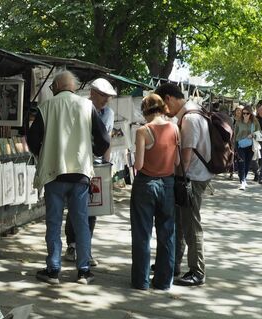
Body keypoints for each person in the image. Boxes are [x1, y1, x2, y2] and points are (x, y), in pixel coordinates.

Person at [28, 70, 110, 285]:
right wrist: (92, 153)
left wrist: (43, 153)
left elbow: (32, 139)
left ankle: (53, 270)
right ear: (73, 87)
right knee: (81, 222)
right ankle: (83, 271)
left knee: (53, 223)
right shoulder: (86, 106)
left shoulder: (46, 107)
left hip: (54, 173)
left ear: (55, 87)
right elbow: (103, 139)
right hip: (81, 174)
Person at [154, 82, 210, 286]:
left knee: (191, 226)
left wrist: (174, 175)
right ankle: (174, 263)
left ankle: (197, 271)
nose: (164, 112)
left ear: (168, 98)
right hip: (191, 177)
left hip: (191, 178)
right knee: (180, 222)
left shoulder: (190, 118)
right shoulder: (195, 112)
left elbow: (185, 156)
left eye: (163, 106)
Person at [63, 77, 117, 266]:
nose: (106, 99)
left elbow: (107, 139)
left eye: (108, 96)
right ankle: (72, 244)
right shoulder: (79, 107)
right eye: (103, 95)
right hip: (77, 164)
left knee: (93, 209)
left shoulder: (108, 113)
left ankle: (85, 248)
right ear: (92, 92)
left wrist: (107, 165)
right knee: (75, 206)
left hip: (97, 165)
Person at [130, 94, 179, 290]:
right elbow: (176, 162)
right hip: (168, 184)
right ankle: (164, 281)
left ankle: (141, 281)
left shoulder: (143, 131)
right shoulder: (175, 128)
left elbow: (139, 164)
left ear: (145, 111)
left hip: (146, 184)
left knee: (142, 233)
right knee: (167, 233)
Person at [232, 105, 258, 190]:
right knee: (241, 163)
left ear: (251, 113)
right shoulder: (239, 122)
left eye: (247, 113)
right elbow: (235, 134)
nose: (245, 115)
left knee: (247, 163)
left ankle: (244, 179)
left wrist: (253, 134)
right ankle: (242, 181)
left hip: (250, 145)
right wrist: (234, 146)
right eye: (244, 113)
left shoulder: (254, 122)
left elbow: (259, 132)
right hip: (240, 145)